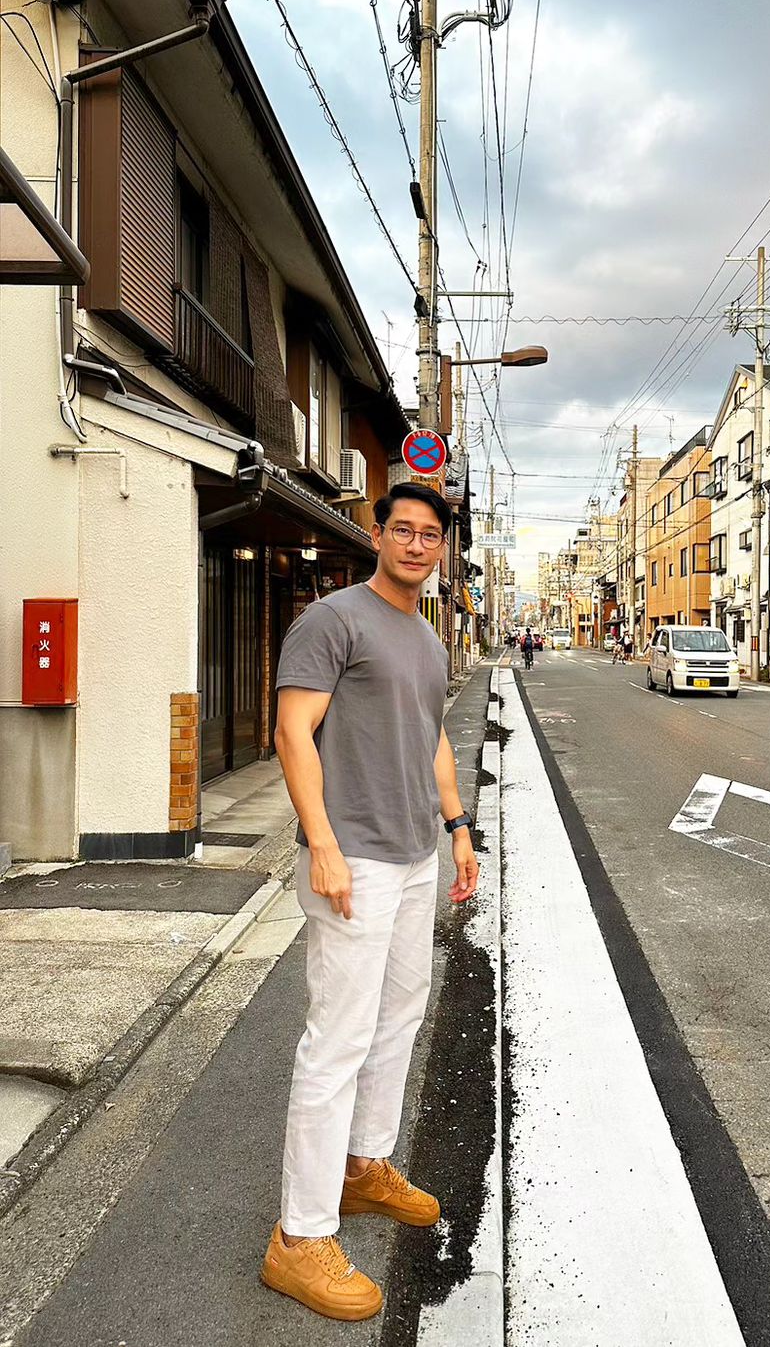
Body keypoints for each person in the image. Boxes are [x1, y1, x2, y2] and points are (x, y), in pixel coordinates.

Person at [263, 482, 480, 1322]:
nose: (416, 544)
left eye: (430, 535)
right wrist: (321, 843)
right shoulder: (333, 620)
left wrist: (457, 827)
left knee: (399, 1016)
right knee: (338, 1039)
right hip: (352, 856)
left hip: (415, 852)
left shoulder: (425, 636)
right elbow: (292, 732)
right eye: (403, 530)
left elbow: (431, 739)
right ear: (378, 533)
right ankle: (299, 1236)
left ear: (442, 548)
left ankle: (363, 1166)